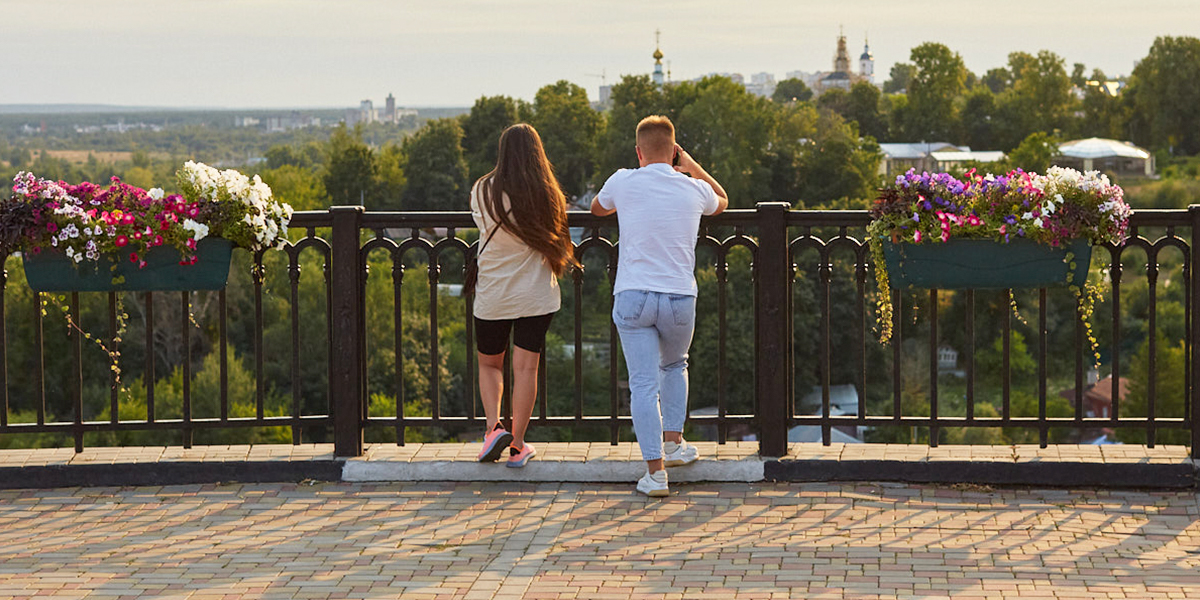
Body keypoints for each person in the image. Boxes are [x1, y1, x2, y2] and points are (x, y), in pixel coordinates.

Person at [590, 115, 728, 496]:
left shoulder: (623, 180)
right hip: (680, 296)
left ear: (638, 152)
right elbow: (724, 200)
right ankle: (674, 443)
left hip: (633, 294)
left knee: (643, 384)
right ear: (673, 152)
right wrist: (692, 166)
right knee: (675, 365)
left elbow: (597, 209)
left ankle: (655, 473)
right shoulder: (693, 189)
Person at [471, 123, 576, 468]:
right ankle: (517, 446)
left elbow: (482, 227)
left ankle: (492, 429)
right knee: (526, 368)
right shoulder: (549, 194)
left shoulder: (483, 190)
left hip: (494, 293)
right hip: (535, 294)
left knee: (490, 363)